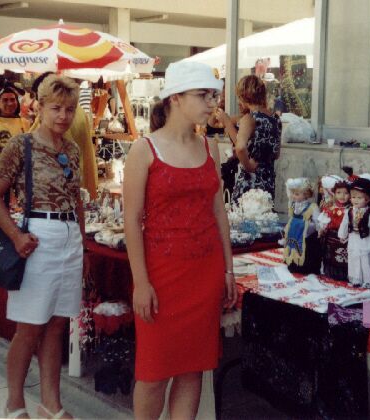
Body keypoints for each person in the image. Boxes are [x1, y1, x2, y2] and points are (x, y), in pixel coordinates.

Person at [123, 61, 237, 419]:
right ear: (175, 98)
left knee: (193, 368)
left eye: (213, 96)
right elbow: (131, 221)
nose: (212, 103)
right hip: (161, 275)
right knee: (153, 372)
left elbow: (218, 211)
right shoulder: (144, 150)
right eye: (203, 95)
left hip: (205, 272)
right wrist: (141, 283)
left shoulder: (210, 147)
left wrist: (229, 270)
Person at [0, 75, 87, 419]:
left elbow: (76, 200)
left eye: (69, 109)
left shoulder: (72, 150)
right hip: (37, 237)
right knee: (29, 328)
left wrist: (83, 246)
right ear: (40, 107)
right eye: (56, 108)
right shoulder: (22, 145)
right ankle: (14, 402)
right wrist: (16, 236)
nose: (63, 115)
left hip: (69, 236)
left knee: (57, 324)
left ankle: (50, 404)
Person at [216, 75, 282, 203]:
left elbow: (240, 147)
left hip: (249, 183)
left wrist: (248, 166)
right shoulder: (276, 119)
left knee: (243, 214)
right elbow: (276, 153)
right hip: (268, 182)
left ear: (243, 96)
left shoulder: (249, 118)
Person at [338, 175, 370, 288]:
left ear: (367, 199)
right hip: (353, 237)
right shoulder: (349, 211)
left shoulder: (369, 214)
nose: (355, 200)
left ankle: (367, 279)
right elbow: (345, 223)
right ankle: (355, 278)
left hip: (364, 238)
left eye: (359, 198)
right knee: (353, 257)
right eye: (353, 197)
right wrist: (342, 234)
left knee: (365, 258)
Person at [280, 178, 321, 275]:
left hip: (305, 234)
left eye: (297, 194)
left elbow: (317, 221)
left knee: (304, 249)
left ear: (306, 194)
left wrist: (315, 229)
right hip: (293, 231)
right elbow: (291, 216)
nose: (294, 196)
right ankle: (292, 261)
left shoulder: (312, 207)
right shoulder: (293, 205)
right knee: (291, 246)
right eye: (293, 193)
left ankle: (303, 266)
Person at [317, 176, 351, 281]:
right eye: (339, 193)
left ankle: (344, 274)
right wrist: (322, 229)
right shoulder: (330, 207)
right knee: (330, 255)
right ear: (334, 194)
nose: (342, 196)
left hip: (344, 238)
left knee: (343, 257)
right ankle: (330, 272)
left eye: (346, 193)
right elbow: (324, 220)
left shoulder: (350, 209)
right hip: (331, 236)